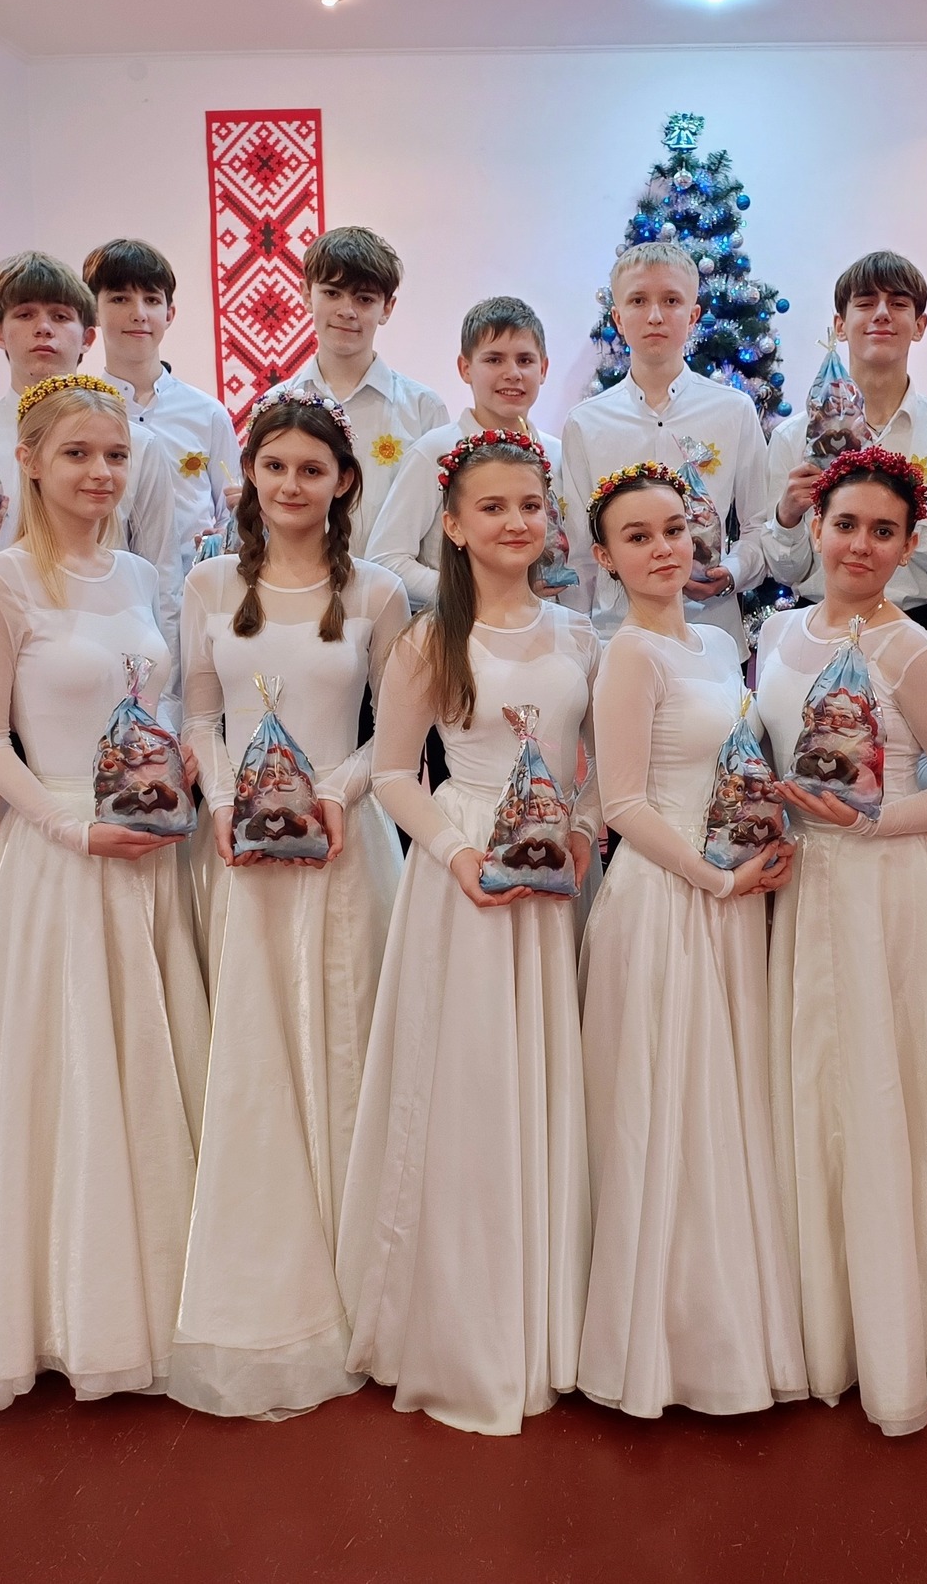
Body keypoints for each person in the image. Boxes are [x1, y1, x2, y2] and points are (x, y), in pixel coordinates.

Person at [752, 445, 927, 1436]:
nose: (859, 546)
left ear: (909, 546)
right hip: (804, 885)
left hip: (893, 887)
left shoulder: (913, 650)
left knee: (885, 1089)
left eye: (882, 531)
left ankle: (905, 1323)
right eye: (844, 525)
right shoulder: (777, 633)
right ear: (816, 529)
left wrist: (870, 821)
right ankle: (820, 1316)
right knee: (815, 1087)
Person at [0, 374, 209, 1411]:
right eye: (77, 454)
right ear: (28, 459)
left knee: (151, 1062)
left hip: (149, 846)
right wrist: (70, 826)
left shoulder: (143, 574)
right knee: (72, 1073)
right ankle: (75, 1306)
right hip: (62, 853)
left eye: (114, 456)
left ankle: (169, 1290)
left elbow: (167, 701)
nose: (100, 473)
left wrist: (181, 776)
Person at [335, 430, 599, 1435]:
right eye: (492, 507)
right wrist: (455, 854)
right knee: (475, 1077)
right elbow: (393, 773)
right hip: (466, 868)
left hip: (554, 867)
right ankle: (467, 1311)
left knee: (549, 1069)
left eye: (530, 504)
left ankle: (550, 1303)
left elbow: (592, 763)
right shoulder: (428, 641)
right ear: (451, 524)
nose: (515, 522)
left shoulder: (579, 635)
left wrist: (581, 832)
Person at [169, 383, 410, 1419]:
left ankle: (366, 1266)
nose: (292, 484)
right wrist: (227, 801)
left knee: (349, 1031)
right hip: (243, 852)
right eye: (275, 466)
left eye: (312, 469)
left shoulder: (379, 593)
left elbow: (394, 732)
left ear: (344, 481)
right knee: (258, 1039)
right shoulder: (209, 582)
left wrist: (333, 793)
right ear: (251, 474)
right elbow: (200, 713)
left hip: (345, 847)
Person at [574, 463, 804, 1419]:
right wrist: (716, 881)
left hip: (734, 890)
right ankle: (664, 1342)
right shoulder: (628, 654)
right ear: (604, 558)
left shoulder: (715, 642)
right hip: (670, 899)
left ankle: (731, 1318)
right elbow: (622, 802)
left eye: (673, 528)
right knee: (665, 1108)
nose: (664, 548)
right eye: (638, 536)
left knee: (725, 1104)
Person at [0, 252, 184, 698]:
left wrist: (166, 702)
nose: (43, 329)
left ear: (88, 335)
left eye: (60, 316)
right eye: (25, 314)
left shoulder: (139, 444)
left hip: (106, 664)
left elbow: (162, 578)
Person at [557, 243, 770, 649]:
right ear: (618, 318)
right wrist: (579, 645)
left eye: (671, 300)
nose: (655, 316)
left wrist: (732, 572)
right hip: (616, 636)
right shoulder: (586, 422)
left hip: (711, 633)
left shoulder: (733, 410)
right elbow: (581, 553)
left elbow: (759, 525)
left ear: (693, 316)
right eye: (638, 300)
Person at [763, 251, 927, 628]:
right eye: (866, 303)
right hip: (815, 623)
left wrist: (910, 511)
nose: (881, 313)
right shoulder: (794, 437)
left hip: (915, 626)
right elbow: (787, 572)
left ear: (919, 325)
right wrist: (787, 516)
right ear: (840, 325)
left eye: (898, 303)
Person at [368, 296, 567, 614]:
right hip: (457, 628)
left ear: (543, 369)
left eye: (525, 360)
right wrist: (477, 593)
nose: (512, 373)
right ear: (465, 368)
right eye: (494, 359)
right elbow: (385, 560)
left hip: (542, 628)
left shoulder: (559, 454)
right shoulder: (435, 451)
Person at [279, 225, 448, 544]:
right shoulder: (277, 404)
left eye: (364, 299)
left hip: (399, 578)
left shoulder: (423, 409)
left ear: (387, 308)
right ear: (306, 295)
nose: (347, 311)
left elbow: (439, 524)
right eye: (332, 293)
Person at [83, 237, 242, 578]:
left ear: (169, 314)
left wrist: (224, 537)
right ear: (94, 310)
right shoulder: (80, 415)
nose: (138, 314)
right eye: (120, 299)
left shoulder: (208, 414)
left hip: (195, 590)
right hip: (105, 588)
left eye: (152, 300)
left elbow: (233, 510)